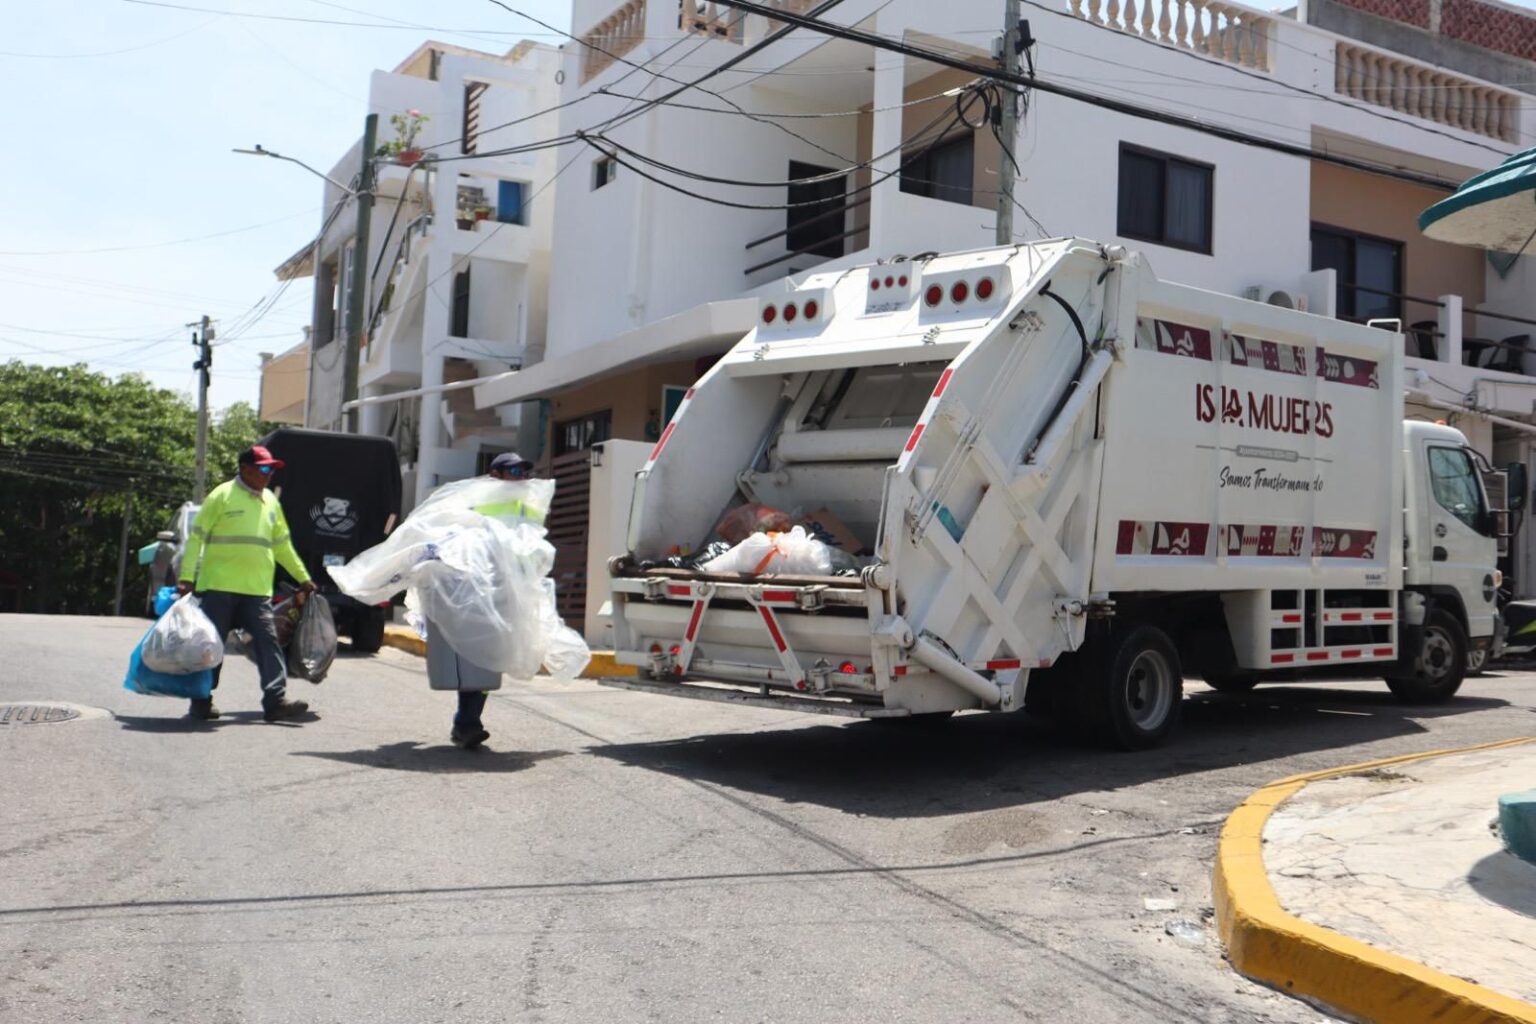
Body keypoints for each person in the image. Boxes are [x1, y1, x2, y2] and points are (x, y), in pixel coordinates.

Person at [177, 445, 315, 723]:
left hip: (257, 591)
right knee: (211, 647)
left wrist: (304, 578)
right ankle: (201, 701)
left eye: (272, 469)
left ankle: (275, 702)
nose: (268, 475)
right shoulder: (222, 495)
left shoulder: (271, 503)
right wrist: (187, 576)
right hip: (219, 588)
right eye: (264, 469)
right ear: (245, 469)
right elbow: (197, 537)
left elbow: (282, 546)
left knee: (269, 643)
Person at [428, 451, 538, 749]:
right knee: (475, 654)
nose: (522, 478)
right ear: (496, 474)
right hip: (471, 589)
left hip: (503, 592)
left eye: (524, 472)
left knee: (491, 658)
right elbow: (448, 533)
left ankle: (466, 722)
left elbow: (529, 544)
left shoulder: (525, 505)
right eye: (514, 472)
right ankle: (467, 723)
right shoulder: (473, 498)